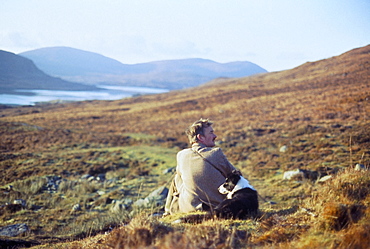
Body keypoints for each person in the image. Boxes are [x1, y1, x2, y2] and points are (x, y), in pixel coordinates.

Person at [165, 118, 237, 214]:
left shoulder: (181, 155)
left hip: (188, 208)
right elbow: (236, 177)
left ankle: (167, 211)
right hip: (218, 207)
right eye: (211, 133)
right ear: (200, 137)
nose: (215, 136)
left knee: (177, 177)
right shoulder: (216, 153)